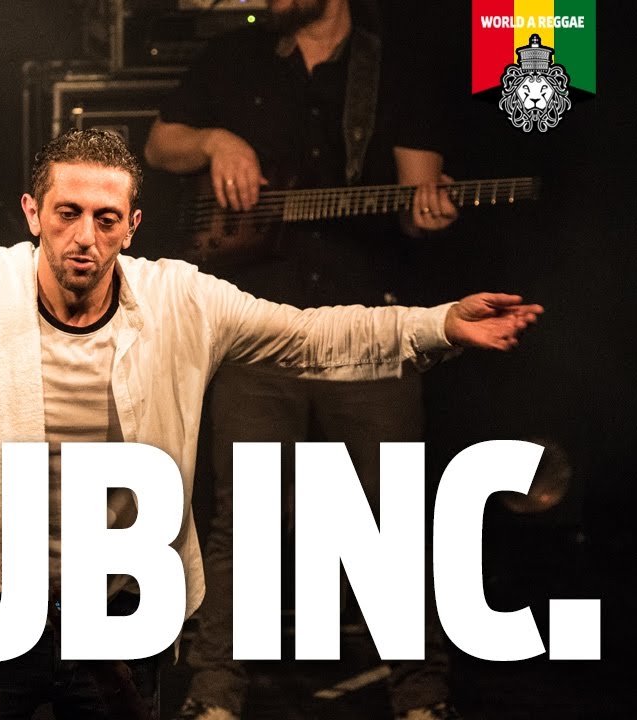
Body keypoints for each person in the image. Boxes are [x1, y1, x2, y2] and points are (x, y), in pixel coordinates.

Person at [0, 128, 540, 720]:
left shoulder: (182, 299)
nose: (84, 236)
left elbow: (311, 336)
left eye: (106, 219)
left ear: (132, 226)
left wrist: (438, 324)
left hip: (122, 611)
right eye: (67, 212)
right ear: (32, 211)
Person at [144, 1, 462, 719]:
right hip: (258, 324)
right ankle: (216, 694)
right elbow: (159, 146)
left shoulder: (395, 68)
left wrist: (427, 214)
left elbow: (415, 198)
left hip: (368, 325)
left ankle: (420, 694)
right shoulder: (233, 57)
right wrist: (216, 142)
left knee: (392, 519)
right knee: (243, 519)